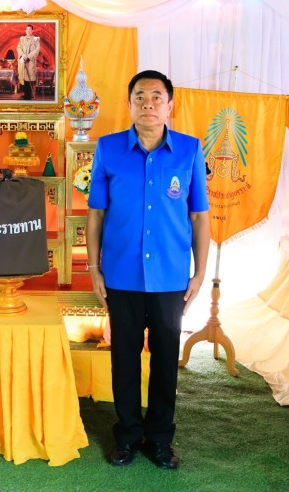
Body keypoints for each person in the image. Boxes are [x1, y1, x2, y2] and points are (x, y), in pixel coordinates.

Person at [86, 70, 209, 470]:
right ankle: (126, 436)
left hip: (170, 277)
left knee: (165, 358)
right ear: (129, 105)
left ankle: (159, 439)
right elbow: (96, 214)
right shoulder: (108, 149)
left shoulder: (190, 150)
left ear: (170, 105)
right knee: (123, 357)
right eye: (140, 97)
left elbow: (199, 217)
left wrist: (199, 273)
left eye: (157, 97)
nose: (148, 104)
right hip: (120, 274)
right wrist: (94, 268)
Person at [16, 24, 40, 100]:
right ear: (25, 30)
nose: (28, 31)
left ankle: (28, 95)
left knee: (29, 77)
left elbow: (37, 50)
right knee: (24, 77)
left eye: (30, 29)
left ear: (32, 30)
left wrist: (28, 56)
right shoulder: (22, 39)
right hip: (23, 60)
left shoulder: (36, 39)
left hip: (30, 61)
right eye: (27, 29)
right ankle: (25, 94)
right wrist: (23, 55)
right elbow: (19, 48)